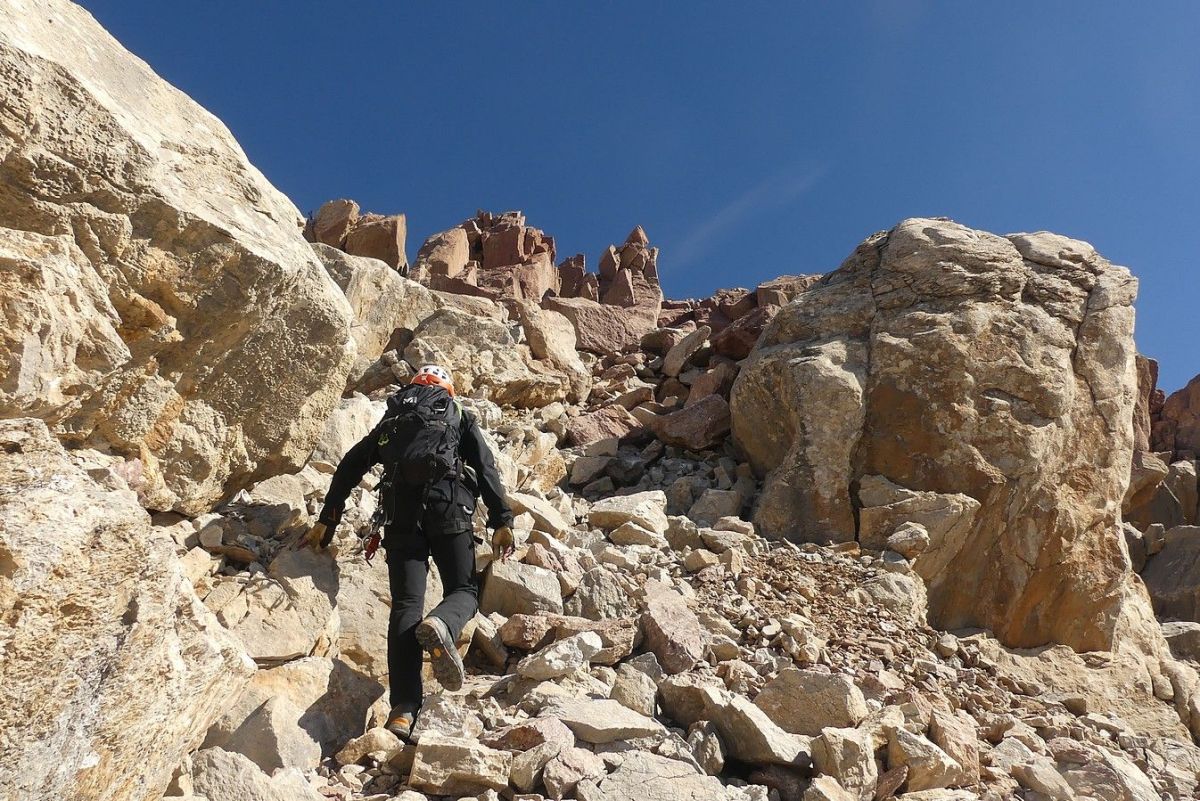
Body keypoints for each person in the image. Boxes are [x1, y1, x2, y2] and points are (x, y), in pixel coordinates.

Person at [302, 364, 515, 740]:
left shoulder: (395, 417)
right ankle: (443, 624)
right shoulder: (458, 414)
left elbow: (350, 465)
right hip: (449, 509)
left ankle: (403, 710)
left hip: (400, 517)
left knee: (405, 606)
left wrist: (328, 519)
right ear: (447, 389)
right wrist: (502, 520)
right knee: (464, 592)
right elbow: (486, 468)